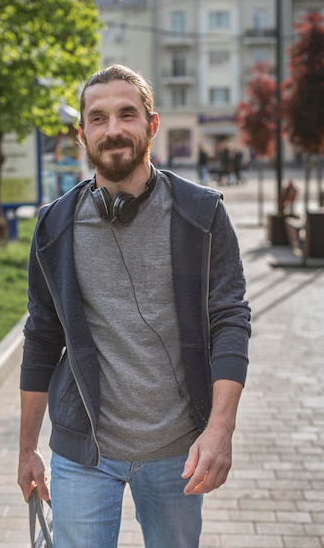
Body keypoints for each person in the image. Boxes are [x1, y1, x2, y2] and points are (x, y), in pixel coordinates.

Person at [18, 64, 251, 548]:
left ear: (152, 124)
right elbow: (41, 338)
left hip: (178, 451)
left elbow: (230, 320)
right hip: (83, 450)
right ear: (82, 134)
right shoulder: (53, 227)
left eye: (127, 114)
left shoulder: (201, 214)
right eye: (98, 119)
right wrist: (26, 450)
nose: (114, 129)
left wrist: (220, 429)